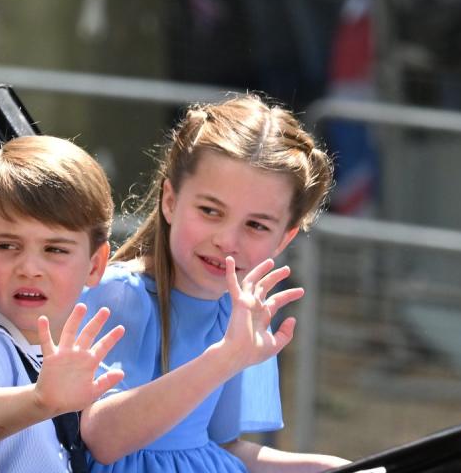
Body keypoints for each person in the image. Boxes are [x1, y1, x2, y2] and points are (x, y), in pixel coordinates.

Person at [78, 94, 351, 471]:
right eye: (210, 211)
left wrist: (328, 468)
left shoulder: (240, 312)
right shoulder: (120, 294)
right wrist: (225, 358)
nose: (227, 240)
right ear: (170, 202)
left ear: (284, 238)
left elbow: (218, 449)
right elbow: (103, 439)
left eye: (256, 225)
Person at [0, 135, 127, 472]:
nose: (29, 269)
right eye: (7, 246)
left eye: (55, 250)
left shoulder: (69, 337)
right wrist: (39, 400)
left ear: (96, 265)